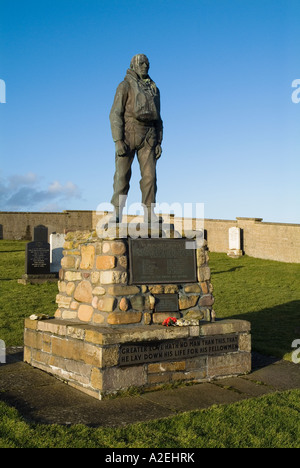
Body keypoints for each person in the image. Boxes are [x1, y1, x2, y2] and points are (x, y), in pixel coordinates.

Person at [109, 54, 163, 223]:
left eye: (146, 63)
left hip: (149, 137)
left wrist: (159, 141)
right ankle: (117, 212)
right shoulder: (124, 86)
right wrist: (118, 140)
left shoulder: (154, 89)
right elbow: (115, 114)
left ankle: (149, 213)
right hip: (128, 134)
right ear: (133, 65)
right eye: (140, 63)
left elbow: (159, 117)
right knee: (122, 176)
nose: (144, 65)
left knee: (150, 177)